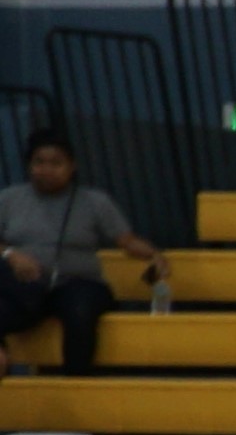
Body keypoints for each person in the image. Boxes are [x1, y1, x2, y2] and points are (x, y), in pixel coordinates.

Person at [0, 129, 154, 370]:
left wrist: (156, 257)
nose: (47, 169)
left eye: (56, 163)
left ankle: (77, 384)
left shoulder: (96, 202)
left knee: (80, 312)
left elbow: (127, 241)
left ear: (72, 167)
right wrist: (11, 254)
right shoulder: (8, 199)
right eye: (39, 162)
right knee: (18, 301)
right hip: (24, 285)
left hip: (77, 283)